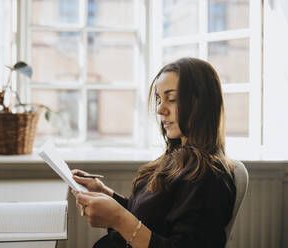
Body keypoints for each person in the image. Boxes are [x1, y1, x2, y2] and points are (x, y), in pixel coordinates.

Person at [72, 57, 236, 248]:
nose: (160, 109)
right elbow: (150, 220)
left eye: (172, 99)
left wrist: (118, 219)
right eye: (159, 99)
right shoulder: (177, 158)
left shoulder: (209, 178)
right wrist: (105, 193)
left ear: (201, 104)